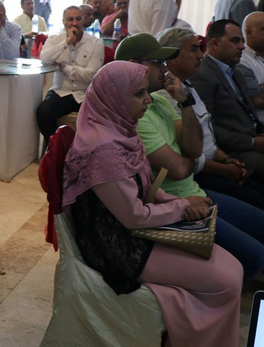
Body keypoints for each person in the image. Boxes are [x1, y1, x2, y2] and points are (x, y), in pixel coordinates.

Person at [61, 60, 242, 347]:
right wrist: (181, 207)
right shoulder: (103, 149)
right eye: (138, 94)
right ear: (114, 96)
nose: (148, 99)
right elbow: (134, 216)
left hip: (134, 231)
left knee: (232, 269)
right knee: (227, 280)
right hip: (118, 245)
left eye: (146, 91)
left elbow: (146, 187)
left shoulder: (119, 130)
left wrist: (179, 201)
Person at [116, 32, 264, 282]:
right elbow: (179, 169)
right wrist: (189, 163)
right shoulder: (135, 114)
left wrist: (185, 103)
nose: (164, 68)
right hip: (174, 203)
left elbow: (194, 150)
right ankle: (217, 295)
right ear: (134, 66)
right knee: (254, 256)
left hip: (194, 191)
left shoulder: (160, 102)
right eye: (157, 63)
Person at [156, 26, 264, 210]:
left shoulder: (188, 86)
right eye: (194, 49)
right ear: (172, 55)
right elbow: (189, 154)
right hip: (199, 175)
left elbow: (207, 136)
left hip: (216, 162)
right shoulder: (166, 96)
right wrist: (224, 169)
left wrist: (226, 160)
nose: (201, 55)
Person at [191, 19, 264, 180]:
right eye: (235, 41)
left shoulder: (235, 72)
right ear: (215, 44)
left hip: (252, 140)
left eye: (242, 41)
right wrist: (252, 142)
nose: (242, 46)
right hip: (231, 152)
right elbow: (207, 128)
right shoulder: (202, 75)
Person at [36, 6, 103, 142]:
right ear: (63, 22)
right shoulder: (55, 39)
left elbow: (91, 75)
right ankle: (56, 147)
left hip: (85, 93)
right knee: (43, 113)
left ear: (83, 20)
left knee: (99, 120)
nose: (74, 23)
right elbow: (44, 59)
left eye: (78, 19)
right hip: (61, 91)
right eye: (70, 19)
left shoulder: (96, 43)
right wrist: (67, 42)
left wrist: (63, 68)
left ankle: (82, 150)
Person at [239, 11, 264, 123]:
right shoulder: (241, 60)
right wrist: (258, 92)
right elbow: (257, 100)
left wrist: (260, 88)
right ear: (249, 33)